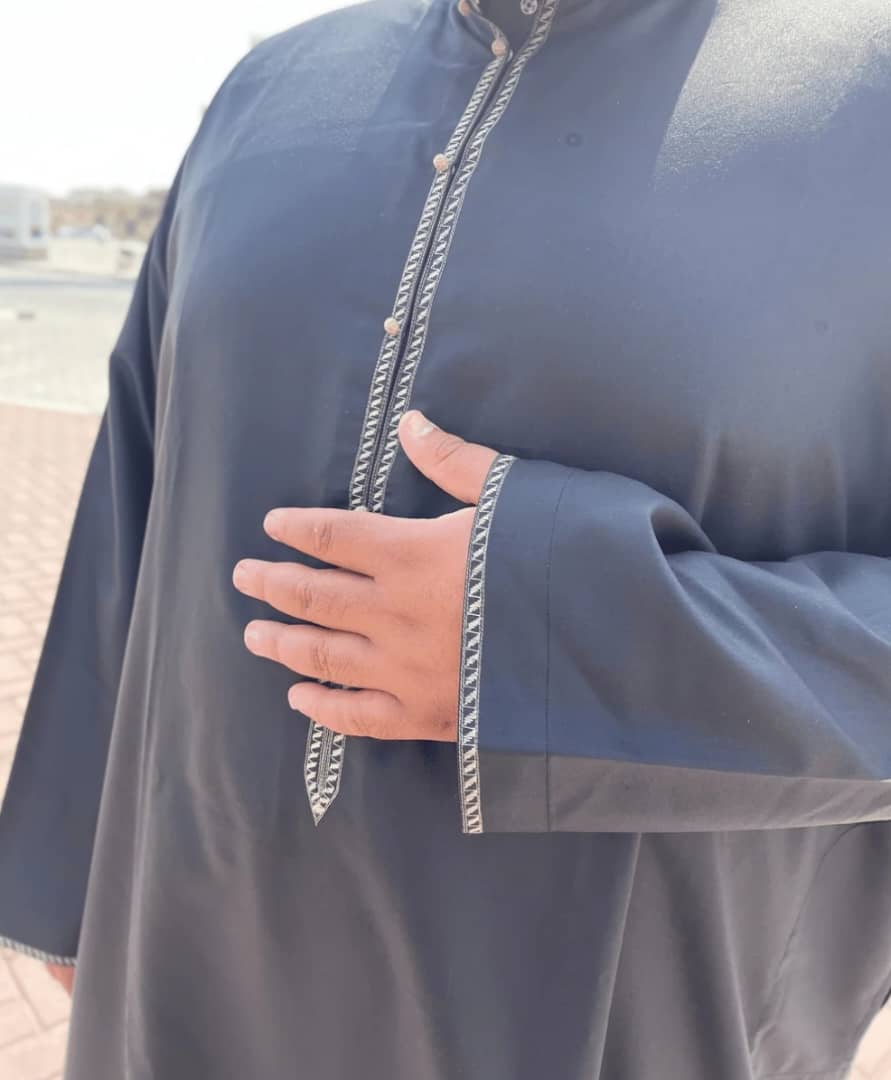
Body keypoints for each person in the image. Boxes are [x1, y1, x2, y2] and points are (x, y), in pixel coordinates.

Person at [2, 0, 891, 1075]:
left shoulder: (868, 95)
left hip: (629, 1024)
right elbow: (134, 493)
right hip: (183, 981)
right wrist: (62, 887)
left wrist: (555, 638)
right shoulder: (267, 91)